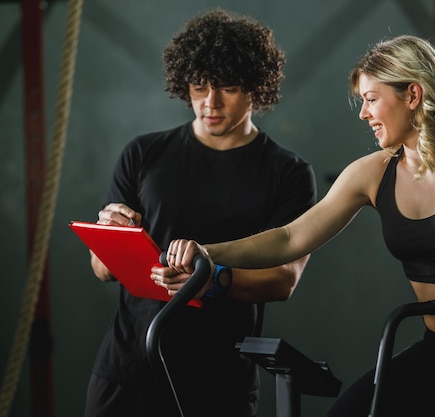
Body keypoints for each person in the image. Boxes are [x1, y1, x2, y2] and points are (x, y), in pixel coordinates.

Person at [154, 35, 435, 417]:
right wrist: (210, 252)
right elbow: (291, 237)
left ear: (413, 95)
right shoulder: (371, 173)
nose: (363, 113)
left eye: (371, 98)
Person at [83, 9, 317, 417]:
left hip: (220, 381)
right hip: (128, 369)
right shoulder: (143, 154)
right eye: (198, 87)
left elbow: (284, 280)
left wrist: (206, 282)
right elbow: (101, 269)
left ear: (255, 88)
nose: (210, 102)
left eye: (227, 87)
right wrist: (111, 231)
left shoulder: (289, 173)